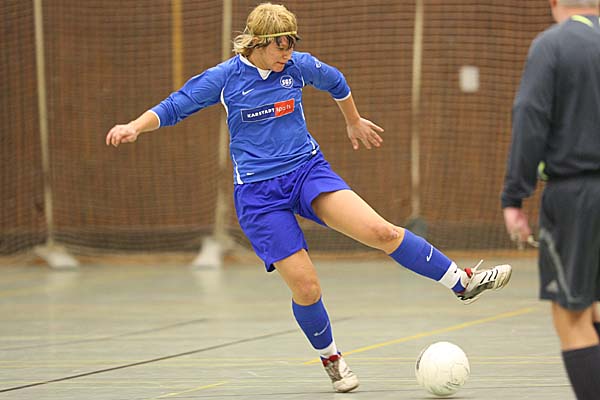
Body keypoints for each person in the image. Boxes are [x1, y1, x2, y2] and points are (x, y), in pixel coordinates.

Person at [107, 2, 512, 393]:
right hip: (260, 196)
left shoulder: (297, 67)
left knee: (382, 231)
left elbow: (336, 82)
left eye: (291, 45)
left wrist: (353, 121)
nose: (288, 54)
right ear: (257, 43)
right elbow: (176, 105)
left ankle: (462, 282)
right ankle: (332, 359)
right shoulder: (225, 78)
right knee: (307, 288)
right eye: (280, 47)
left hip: (307, 172)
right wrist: (135, 127)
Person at [501, 1, 600, 399]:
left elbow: (530, 114)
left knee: (572, 315)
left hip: (578, 196)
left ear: (555, 2)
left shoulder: (554, 45)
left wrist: (514, 196)